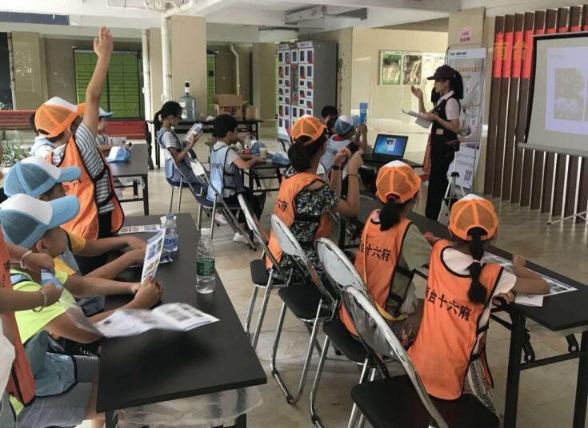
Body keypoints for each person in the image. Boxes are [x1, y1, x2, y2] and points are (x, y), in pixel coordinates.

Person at [0, 193, 162, 428]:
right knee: (124, 402)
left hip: (40, 365)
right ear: (42, 245)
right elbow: (85, 332)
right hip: (23, 399)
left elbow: (83, 286)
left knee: (111, 373)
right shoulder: (23, 288)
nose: (64, 229)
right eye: (58, 227)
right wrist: (138, 305)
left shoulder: (39, 267)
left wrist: (132, 287)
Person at [408, 195, 549, 416]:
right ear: (494, 234)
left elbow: (437, 242)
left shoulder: (439, 251)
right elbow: (542, 286)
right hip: (459, 371)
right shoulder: (492, 273)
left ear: (451, 230)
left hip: (421, 363)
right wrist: (519, 267)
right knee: (491, 418)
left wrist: (433, 238)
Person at [36, 27, 124, 275]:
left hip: (73, 230)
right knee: (99, 280)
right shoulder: (80, 143)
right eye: (76, 120)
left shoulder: (48, 160)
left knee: (89, 275)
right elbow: (93, 96)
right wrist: (104, 55)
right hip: (97, 227)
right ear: (69, 128)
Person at [4, 156, 145, 280]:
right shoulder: (40, 253)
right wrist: (130, 258)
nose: (66, 194)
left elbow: (89, 246)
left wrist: (127, 240)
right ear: (42, 199)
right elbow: (82, 286)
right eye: (61, 189)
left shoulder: (54, 231)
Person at [340, 161, 431, 346]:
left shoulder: (372, 218)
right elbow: (439, 265)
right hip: (380, 328)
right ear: (415, 197)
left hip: (353, 315)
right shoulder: (407, 230)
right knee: (436, 315)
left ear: (378, 195)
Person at [266, 115, 363, 277]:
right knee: (357, 264)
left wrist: (336, 166)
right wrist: (352, 171)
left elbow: (331, 199)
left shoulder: (292, 173)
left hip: (277, 256)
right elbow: (352, 209)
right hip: (300, 264)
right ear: (323, 146)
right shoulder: (314, 187)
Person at [411, 64, 463, 220]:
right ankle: (458, 210)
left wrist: (436, 118)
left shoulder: (451, 102)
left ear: (446, 82)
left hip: (445, 147)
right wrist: (420, 98)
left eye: (437, 81)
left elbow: (455, 127)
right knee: (440, 181)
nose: (435, 84)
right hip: (438, 145)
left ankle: (432, 217)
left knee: (436, 182)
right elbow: (425, 115)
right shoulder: (442, 100)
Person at [208, 114, 265, 244]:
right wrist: (255, 159)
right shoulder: (228, 151)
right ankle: (245, 232)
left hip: (217, 192)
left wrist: (249, 155)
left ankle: (240, 228)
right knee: (253, 199)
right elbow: (244, 166)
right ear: (229, 133)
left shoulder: (216, 148)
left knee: (246, 193)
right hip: (228, 194)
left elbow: (235, 157)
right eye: (236, 131)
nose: (238, 134)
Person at [154, 101, 204, 190]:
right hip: (179, 174)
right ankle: (208, 197)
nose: (180, 120)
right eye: (179, 117)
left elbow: (176, 149)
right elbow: (176, 159)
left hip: (175, 172)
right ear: (171, 117)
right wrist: (190, 145)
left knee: (207, 175)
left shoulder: (164, 131)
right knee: (210, 179)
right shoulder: (167, 135)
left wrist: (185, 143)